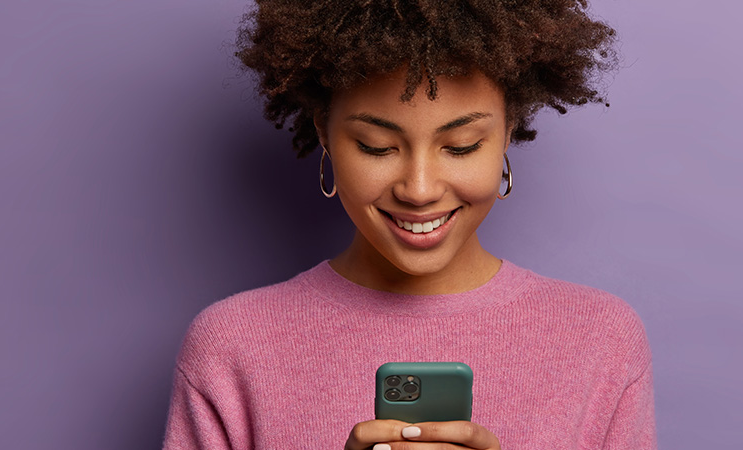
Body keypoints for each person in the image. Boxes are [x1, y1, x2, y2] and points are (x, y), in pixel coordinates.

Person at [162, 1, 655, 448]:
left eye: (461, 145)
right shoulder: (232, 347)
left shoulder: (600, 340)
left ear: (507, 131)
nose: (419, 189)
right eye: (377, 146)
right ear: (325, 133)